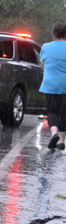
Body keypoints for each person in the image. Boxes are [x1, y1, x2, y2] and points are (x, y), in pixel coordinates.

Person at [40, 22, 66, 150]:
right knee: (64, 113)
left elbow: (43, 63)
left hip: (50, 84)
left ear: (54, 33)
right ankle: (61, 141)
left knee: (52, 111)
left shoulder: (46, 46)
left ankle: (54, 133)